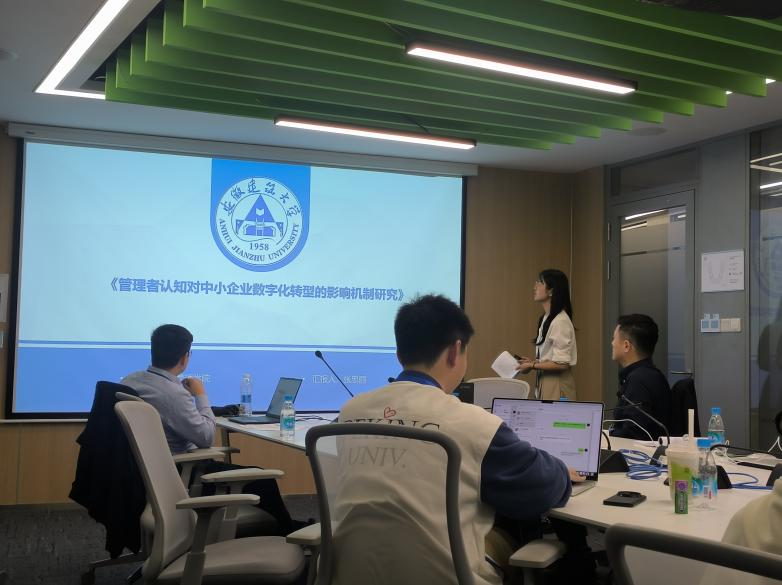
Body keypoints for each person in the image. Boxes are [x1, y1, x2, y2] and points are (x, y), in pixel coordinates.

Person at [335, 295, 579, 585]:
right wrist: (561, 470)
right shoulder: (474, 423)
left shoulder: (349, 413)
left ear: (399, 355)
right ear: (455, 351)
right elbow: (542, 488)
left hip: (349, 570)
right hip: (443, 576)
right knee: (515, 522)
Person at [122, 324, 293, 534]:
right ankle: (287, 533)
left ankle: (283, 529)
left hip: (150, 471)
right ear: (185, 357)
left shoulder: (131, 380)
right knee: (263, 480)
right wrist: (200, 395)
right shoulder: (173, 394)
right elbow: (206, 437)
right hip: (182, 474)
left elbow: (169, 414)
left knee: (258, 479)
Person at [516, 269, 578, 400]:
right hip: (546, 382)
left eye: (540, 282)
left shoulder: (560, 321)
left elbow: (562, 363)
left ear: (551, 291)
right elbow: (552, 357)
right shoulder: (547, 318)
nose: (535, 287)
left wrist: (532, 365)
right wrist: (533, 363)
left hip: (557, 384)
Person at [609, 314, 672, 441]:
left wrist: (609, 435)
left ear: (626, 346)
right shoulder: (651, 375)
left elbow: (632, 434)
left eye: (614, 339)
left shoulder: (638, 381)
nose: (612, 343)